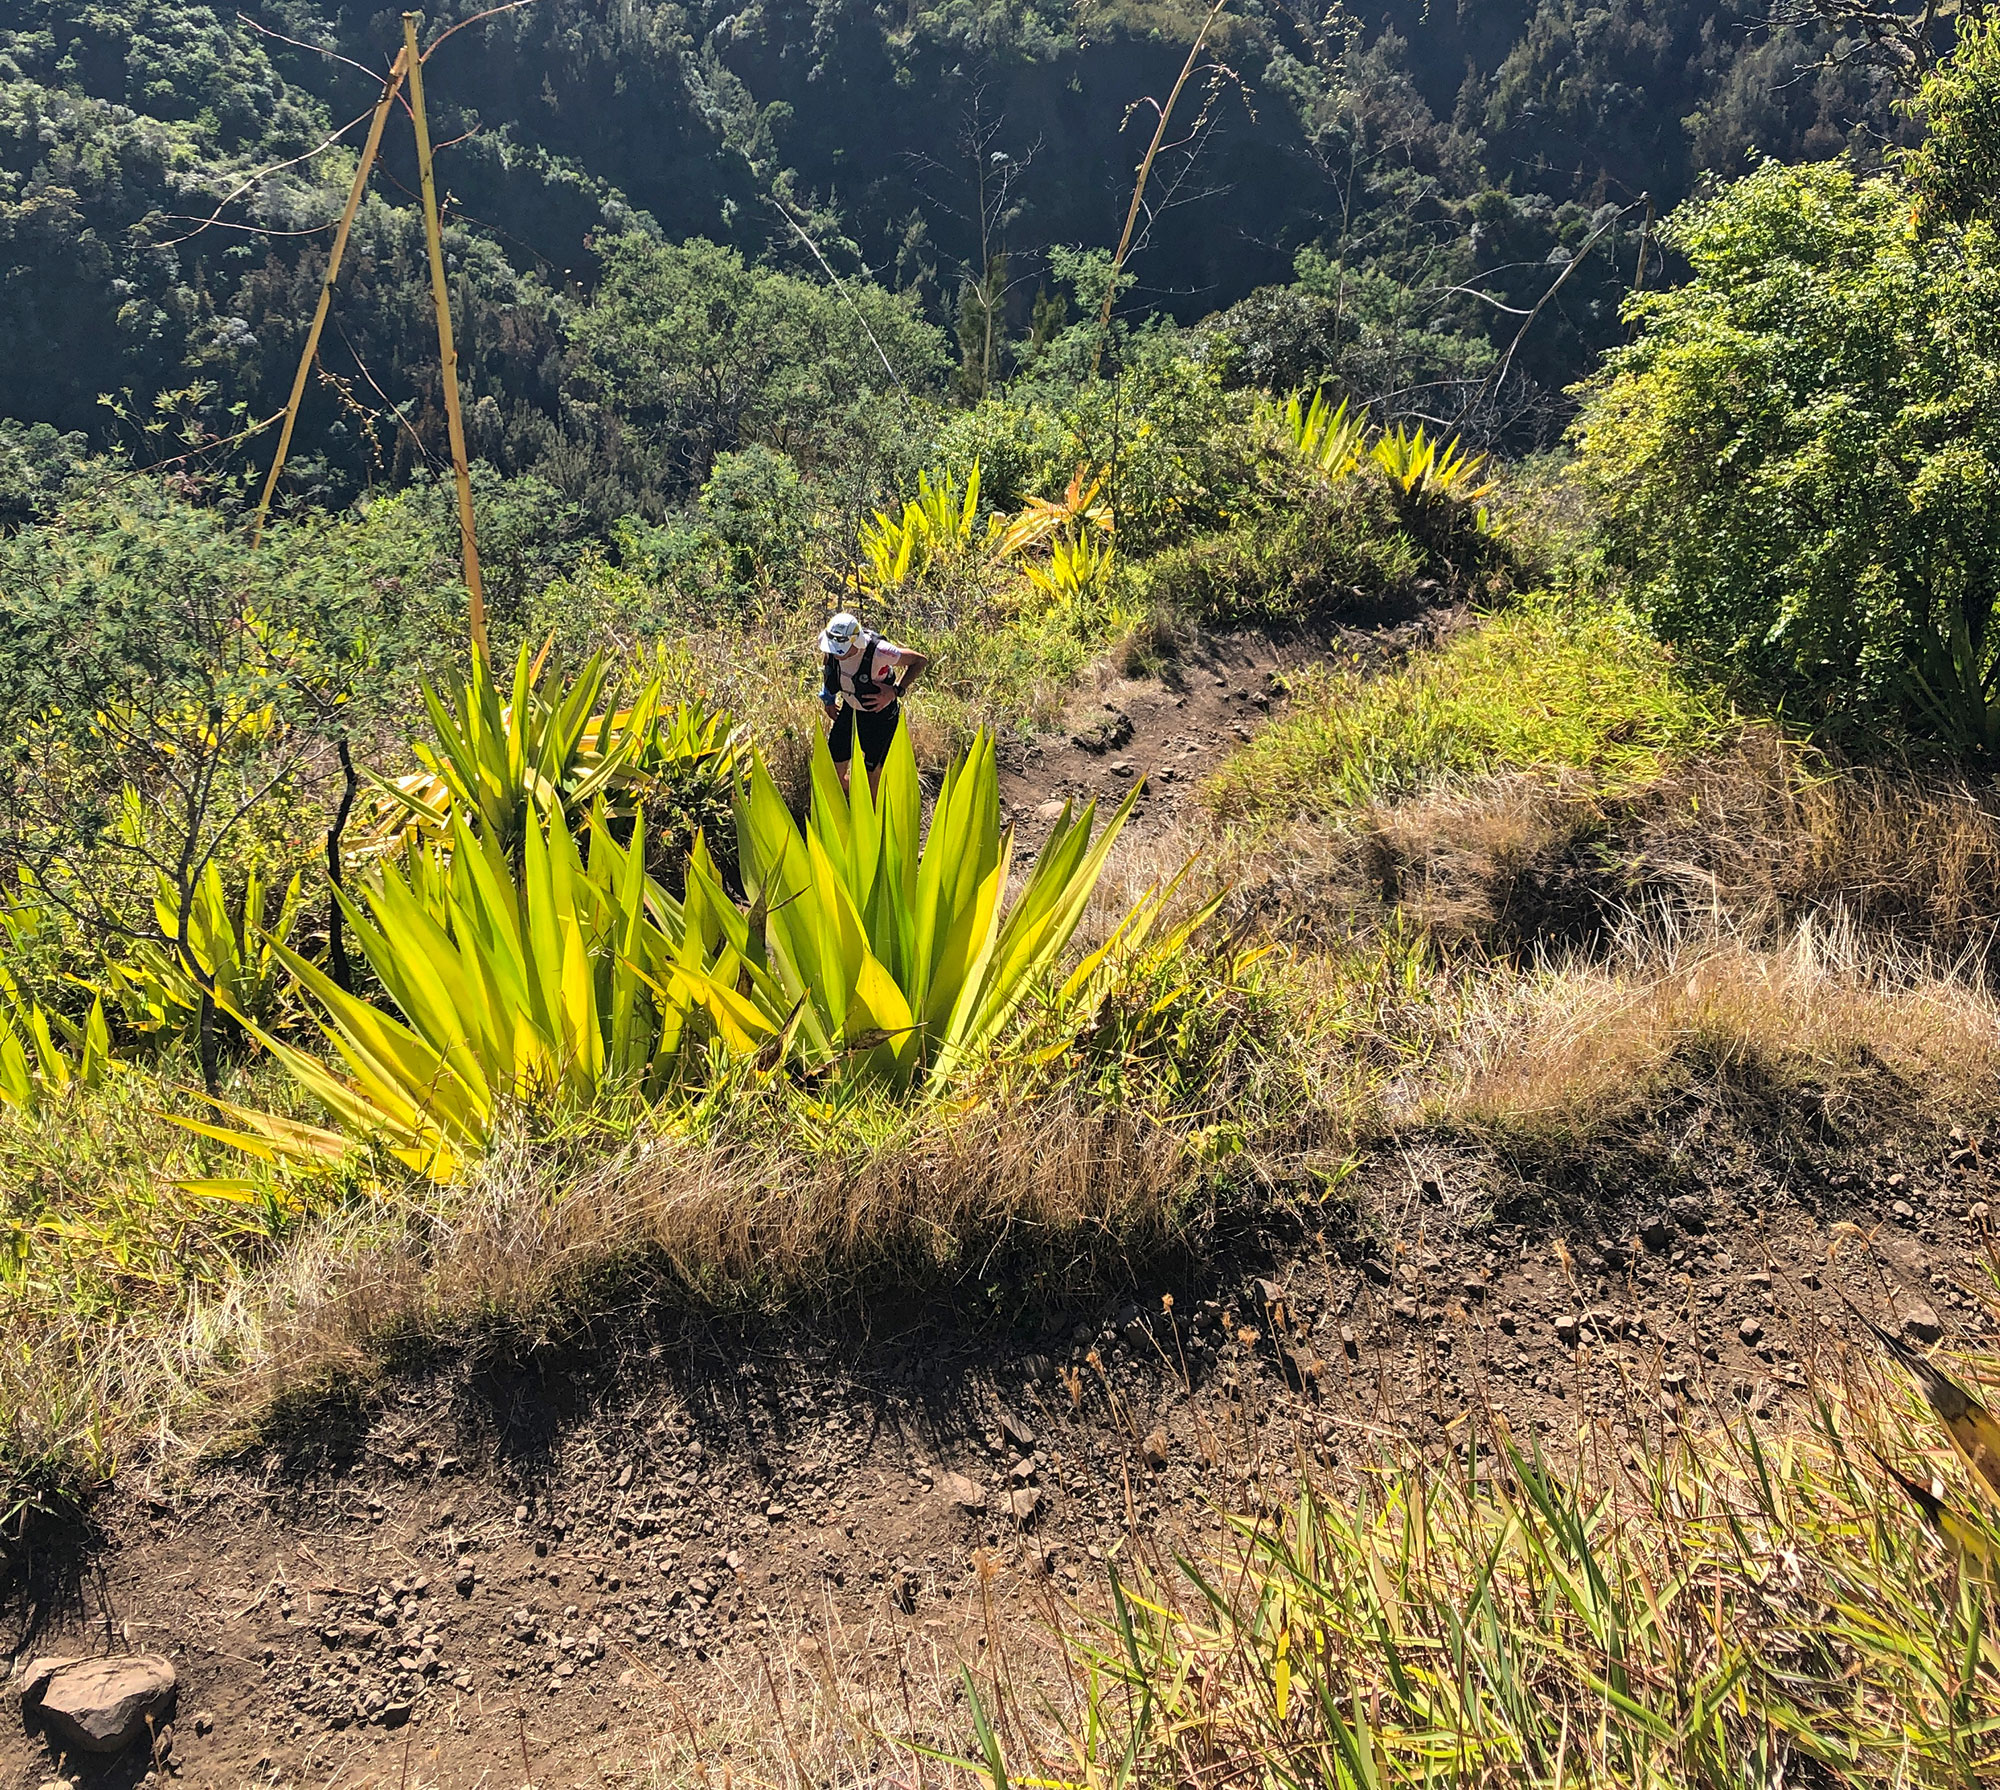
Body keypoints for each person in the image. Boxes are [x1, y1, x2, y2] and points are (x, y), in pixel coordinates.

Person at [817, 611, 928, 797]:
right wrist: (828, 696)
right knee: (833, 772)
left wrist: (895, 691)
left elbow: (919, 661)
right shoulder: (831, 650)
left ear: (854, 641)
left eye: (840, 649)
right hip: (849, 711)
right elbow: (829, 664)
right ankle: (857, 801)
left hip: (879, 717)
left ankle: (875, 816)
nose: (834, 653)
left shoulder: (881, 651)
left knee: (872, 776)